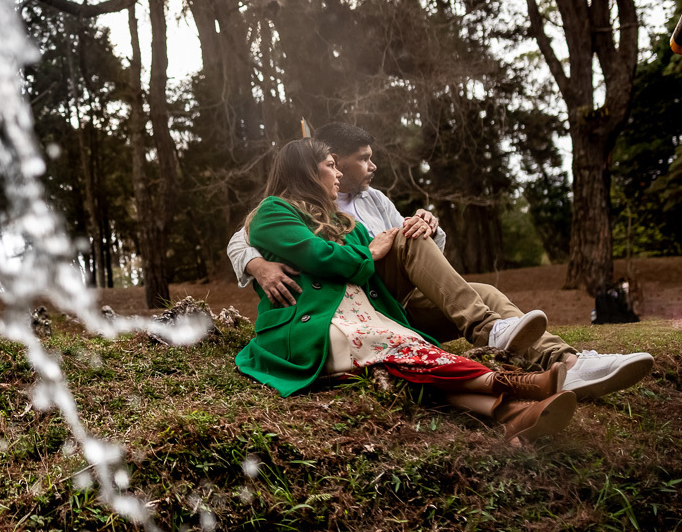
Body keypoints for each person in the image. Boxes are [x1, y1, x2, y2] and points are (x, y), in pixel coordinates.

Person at [227, 123, 655, 400]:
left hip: (395, 302)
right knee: (406, 241)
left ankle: (568, 364)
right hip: (350, 306)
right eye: (362, 158)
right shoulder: (300, 202)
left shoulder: (374, 200)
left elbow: (429, 260)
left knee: (479, 287)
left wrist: (428, 225)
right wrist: (255, 265)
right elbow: (244, 236)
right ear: (331, 161)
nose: (371, 166)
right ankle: (489, 330)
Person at [236, 138, 577, 444]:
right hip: (315, 326)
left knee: (408, 358)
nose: (338, 175)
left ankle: (512, 415)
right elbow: (322, 258)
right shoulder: (273, 212)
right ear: (305, 172)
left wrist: (374, 251)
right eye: (330, 166)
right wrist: (368, 253)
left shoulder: (344, 222)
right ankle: (520, 385)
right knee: (408, 353)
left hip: (361, 316)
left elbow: (361, 267)